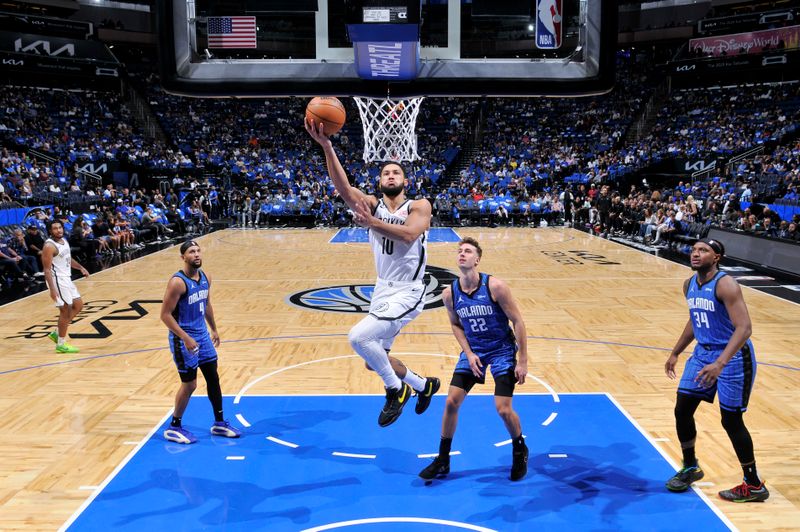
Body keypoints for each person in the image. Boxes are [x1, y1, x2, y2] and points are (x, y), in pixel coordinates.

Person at [306, 118, 440, 428]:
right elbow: (343, 188)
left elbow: (408, 235)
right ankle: (423, 385)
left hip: (409, 290)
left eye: (396, 172)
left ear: (404, 181)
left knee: (357, 336)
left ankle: (395, 391)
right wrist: (327, 146)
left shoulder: (419, 205)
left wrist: (371, 224)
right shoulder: (371, 204)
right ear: (379, 180)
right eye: (385, 172)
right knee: (372, 360)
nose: (391, 175)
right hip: (383, 289)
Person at [664, 238, 768, 502]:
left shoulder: (726, 284)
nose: (695, 254)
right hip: (702, 355)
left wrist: (720, 363)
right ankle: (690, 466)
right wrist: (676, 351)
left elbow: (744, 328)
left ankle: (753, 484)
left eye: (703, 251)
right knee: (682, 408)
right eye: (694, 250)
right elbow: (695, 318)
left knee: (731, 421)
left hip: (732, 358)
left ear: (717, 257)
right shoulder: (688, 285)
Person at [419, 237, 529, 481]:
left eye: (467, 251)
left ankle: (519, 448)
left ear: (477, 259)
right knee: (450, 402)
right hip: (475, 351)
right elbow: (456, 325)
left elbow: (518, 321)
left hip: (501, 350)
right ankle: (443, 459)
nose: (462, 254)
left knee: (502, 408)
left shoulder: (496, 287)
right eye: (460, 251)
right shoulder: (450, 294)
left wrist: (522, 360)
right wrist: (468, 353)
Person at [160, 240, 241, 444]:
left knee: (213, 377)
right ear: (183, 257)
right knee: (190, 384)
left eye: (198, 251)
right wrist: (185, 338)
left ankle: (219, 423)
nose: (196, 254)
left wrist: (214, 328)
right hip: (183, 338)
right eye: (191, 252)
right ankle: (174, 426)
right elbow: (165, 315)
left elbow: (207, 304)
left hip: (203, 336)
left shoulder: (206, 277)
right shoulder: (177, 282)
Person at [42, 220, 90, 354]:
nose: (59, 230)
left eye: (60, 227)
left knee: (78, 305)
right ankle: (61, 344)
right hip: (57, 280)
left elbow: (68, 259)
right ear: (50, 231)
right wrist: (52, 289)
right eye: (55, 228)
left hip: (66, 278)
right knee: (65, 311)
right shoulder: (49, 246)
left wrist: (80, 267)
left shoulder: (64, 241)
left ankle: (57, 332)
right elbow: (46, 270)